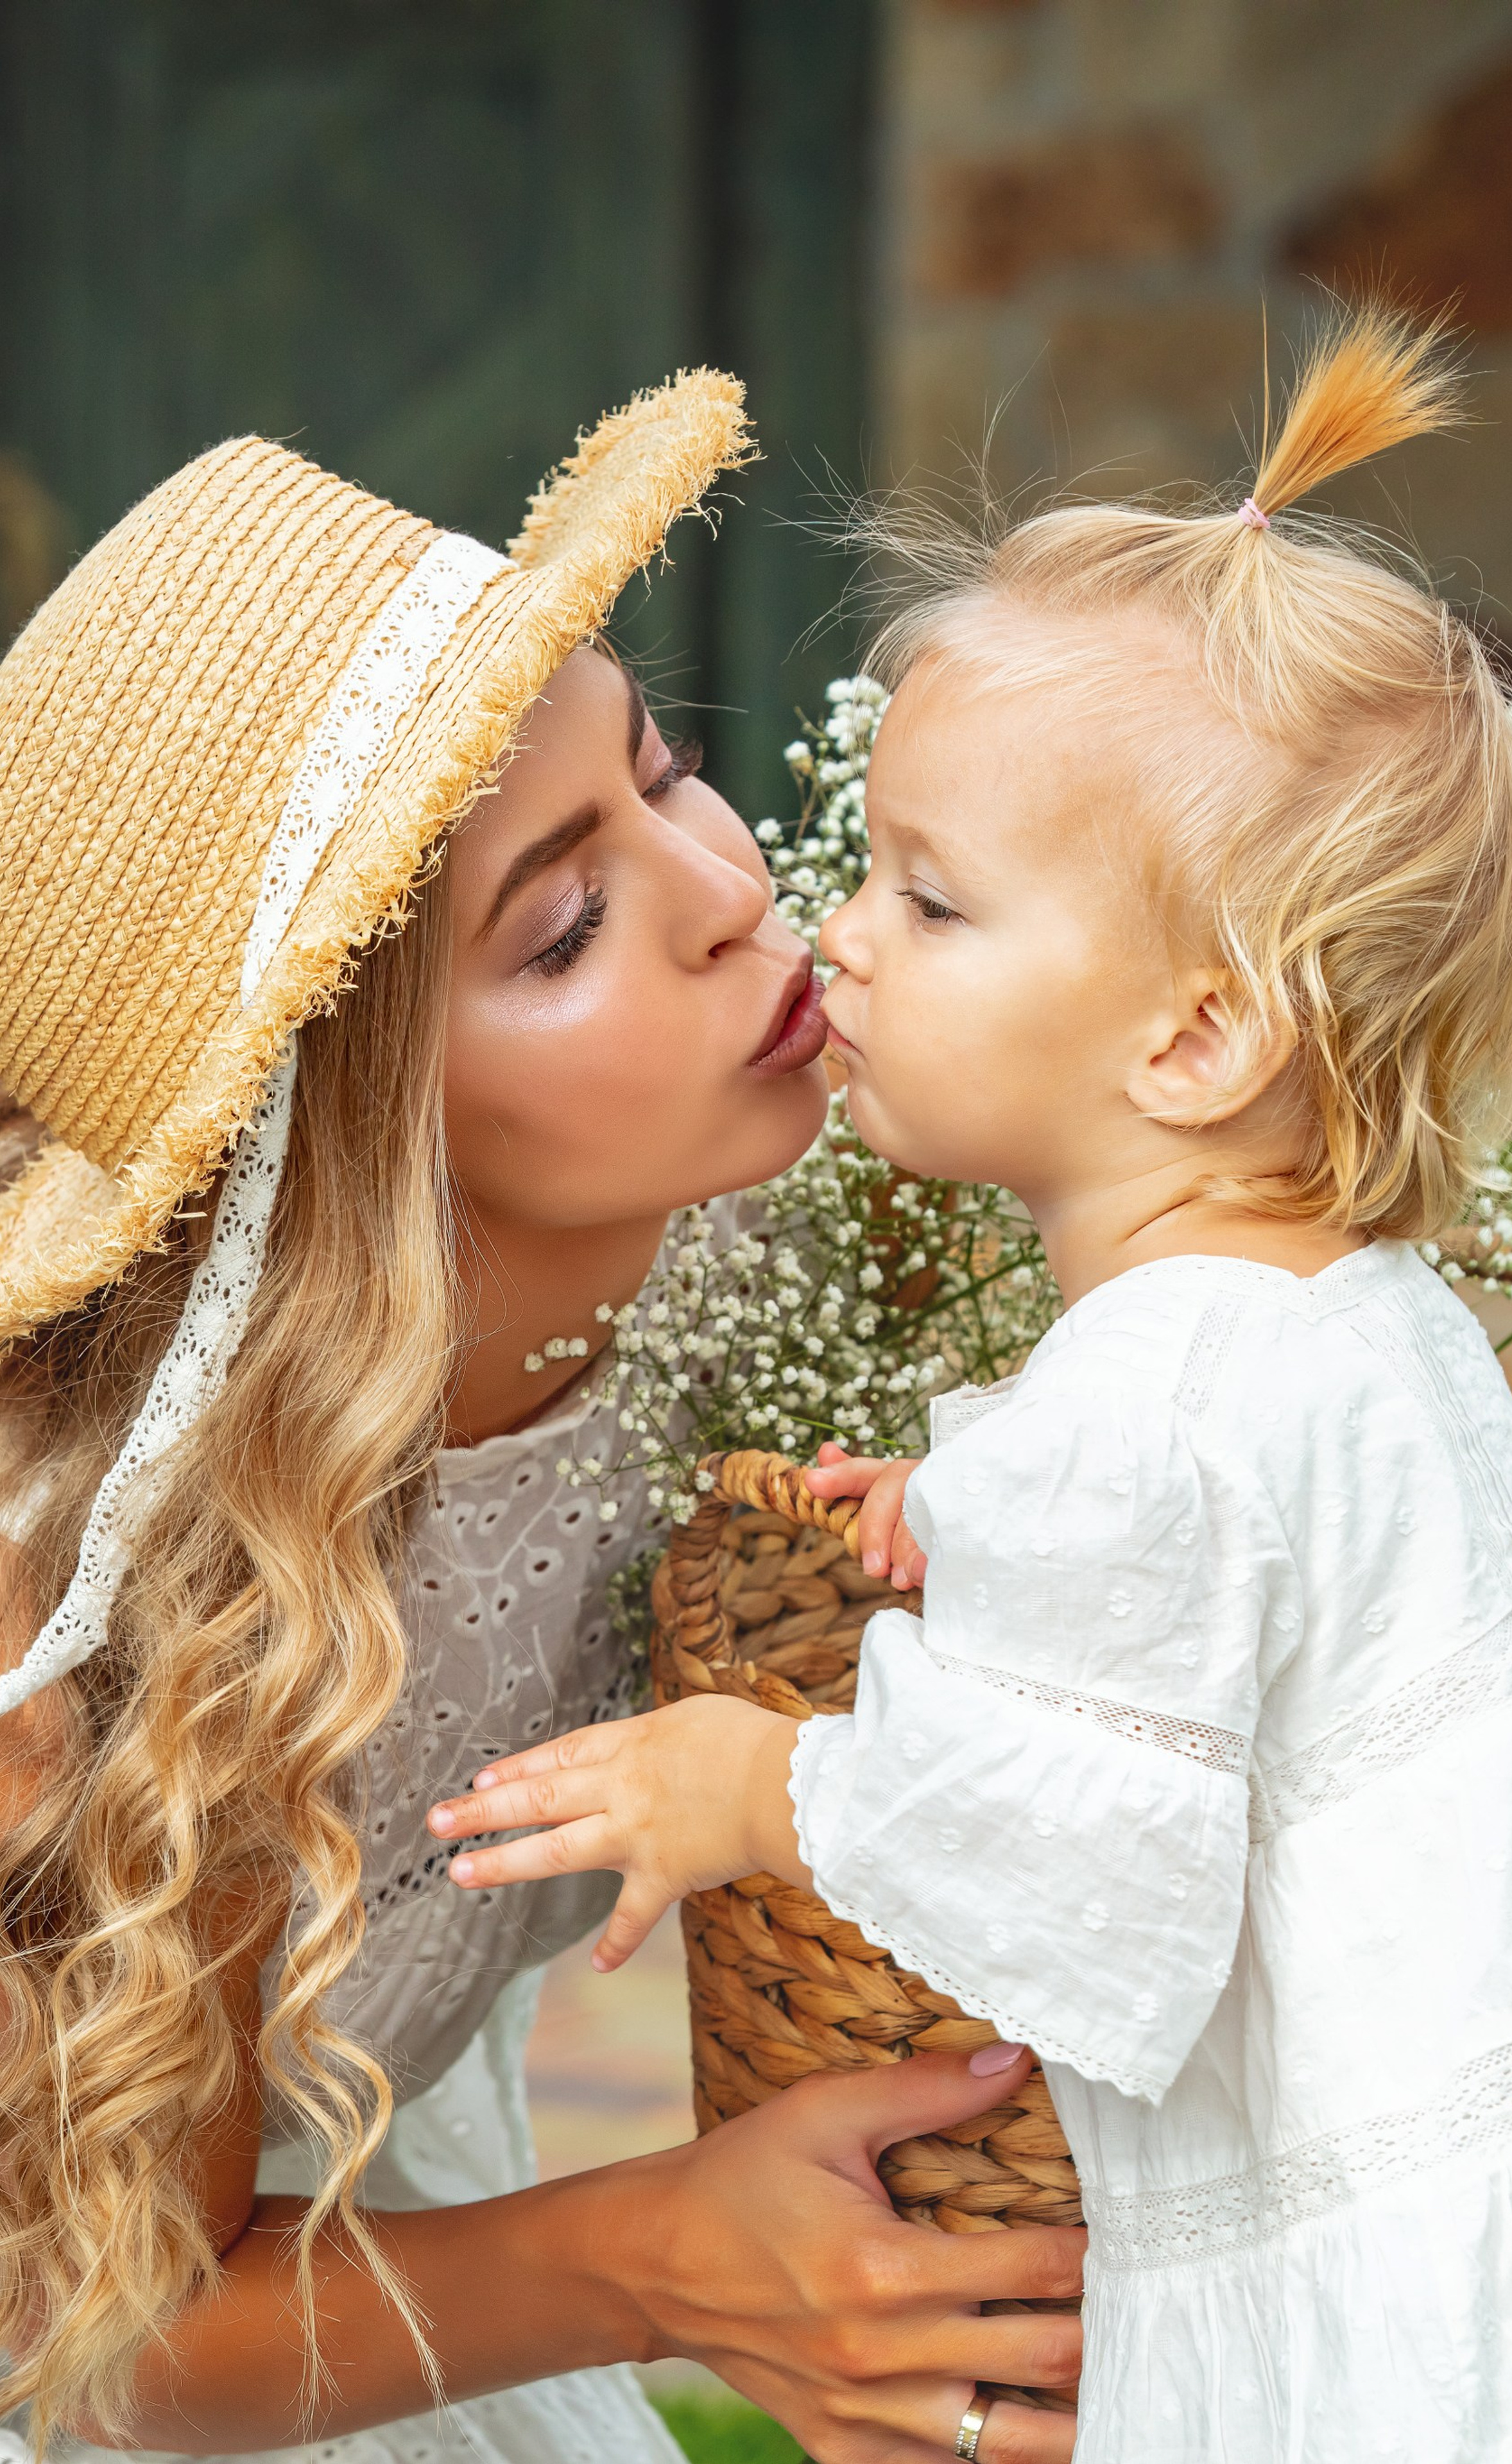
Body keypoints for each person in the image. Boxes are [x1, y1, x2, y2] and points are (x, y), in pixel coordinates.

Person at [431, 311, 1512, 2463]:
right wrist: (978, 1509)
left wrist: (756, 1783)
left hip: (1391, 2289)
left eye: (933, 896)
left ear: (1190, 1040)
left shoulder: (1156, 1408)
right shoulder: (1360, 1322)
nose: (839, 933)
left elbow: (1092, 1882)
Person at [0, 376, 1087, 2464]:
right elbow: (109, 2348)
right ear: (337, 1157)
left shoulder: (799, 1243)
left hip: (389, 2188)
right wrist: (663, 2254)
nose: (720, 891)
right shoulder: (161, 1594)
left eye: (667, 770)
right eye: (567, 926)